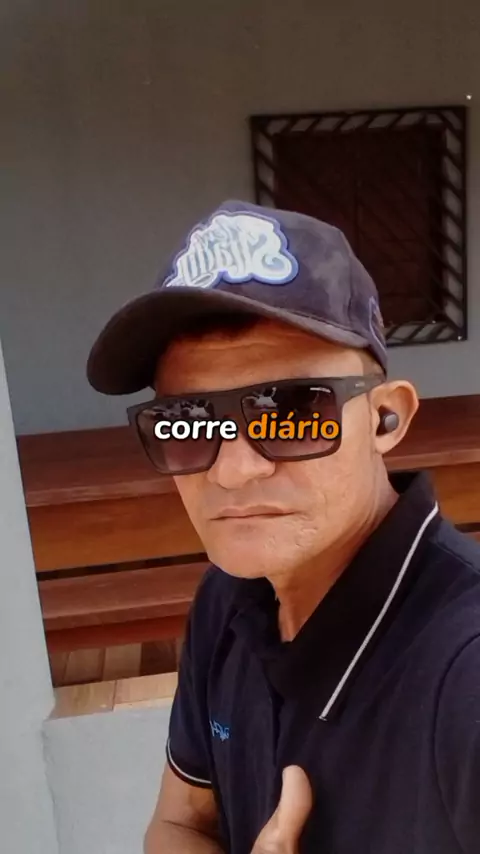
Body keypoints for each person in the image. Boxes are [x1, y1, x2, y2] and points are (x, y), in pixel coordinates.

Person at [87, 200, 480, 854]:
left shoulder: (463, 673)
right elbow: (181, 824)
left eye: (292, 412)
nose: (234, 469)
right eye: (188, 421)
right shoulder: (229, 599)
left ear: (387, 418)